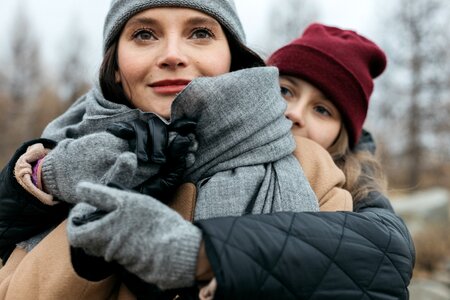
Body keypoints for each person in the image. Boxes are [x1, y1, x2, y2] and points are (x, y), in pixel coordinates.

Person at [0, 2, 414, 299]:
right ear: (113, 66)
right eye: (144, 33)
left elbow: (371, 262)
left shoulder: (314, 169)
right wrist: (83, 239)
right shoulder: (64, 151)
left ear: (232, 58)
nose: (173, 55)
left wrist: (193, 255)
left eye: (201, 32)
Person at [197, 22, 412, 299]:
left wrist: (201, 253)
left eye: (322, 110)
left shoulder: (353, 194)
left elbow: (388, 252)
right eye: (286, 91)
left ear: (340, 137)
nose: (294, 113)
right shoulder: (201, 141)